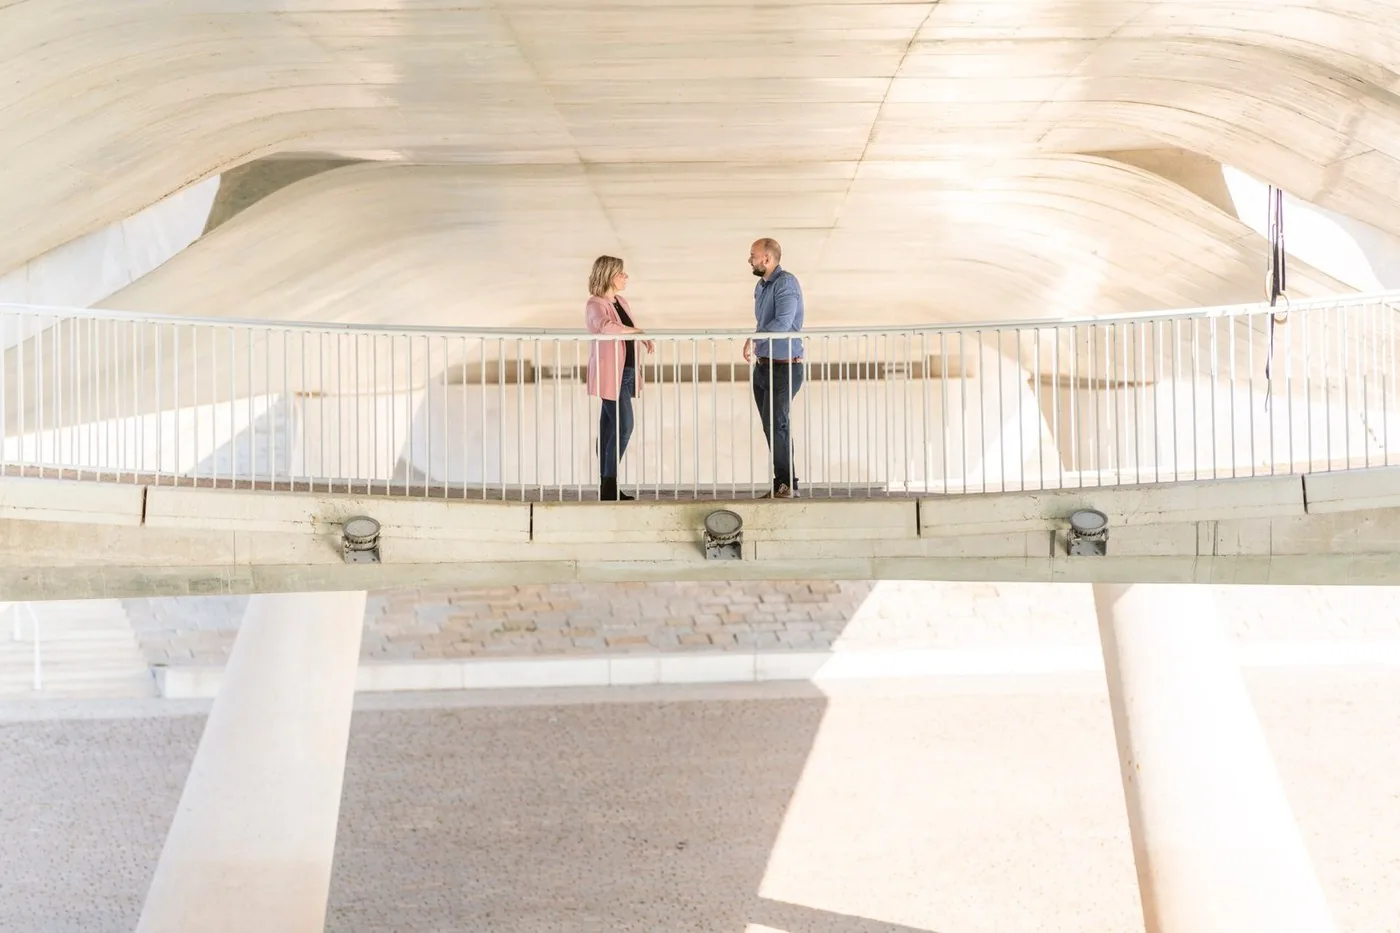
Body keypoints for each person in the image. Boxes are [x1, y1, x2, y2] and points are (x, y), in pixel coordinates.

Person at [585, 255, 653, 501]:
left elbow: (627, 329)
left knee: (608, 428)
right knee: (624, 426)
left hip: (626, 372)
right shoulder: (595, 304)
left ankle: (607, 485)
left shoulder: (621, 301)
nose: (626, 277)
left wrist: (640, 336)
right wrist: (638, 331)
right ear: (609, 275)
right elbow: (606, 327)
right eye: (621, 273)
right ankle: (609, 484)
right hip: (609, 374)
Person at [743, 237, 805, 498]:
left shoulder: (785, 283)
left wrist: (752, 338)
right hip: (764, 366)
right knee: (771, 426)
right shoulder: (761, 286)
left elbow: (783, 323)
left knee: (778, 424)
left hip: (785, 367)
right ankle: (782, 481)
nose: (750, 260)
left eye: (753, 255)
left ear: (766, 259)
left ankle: (787, 484)